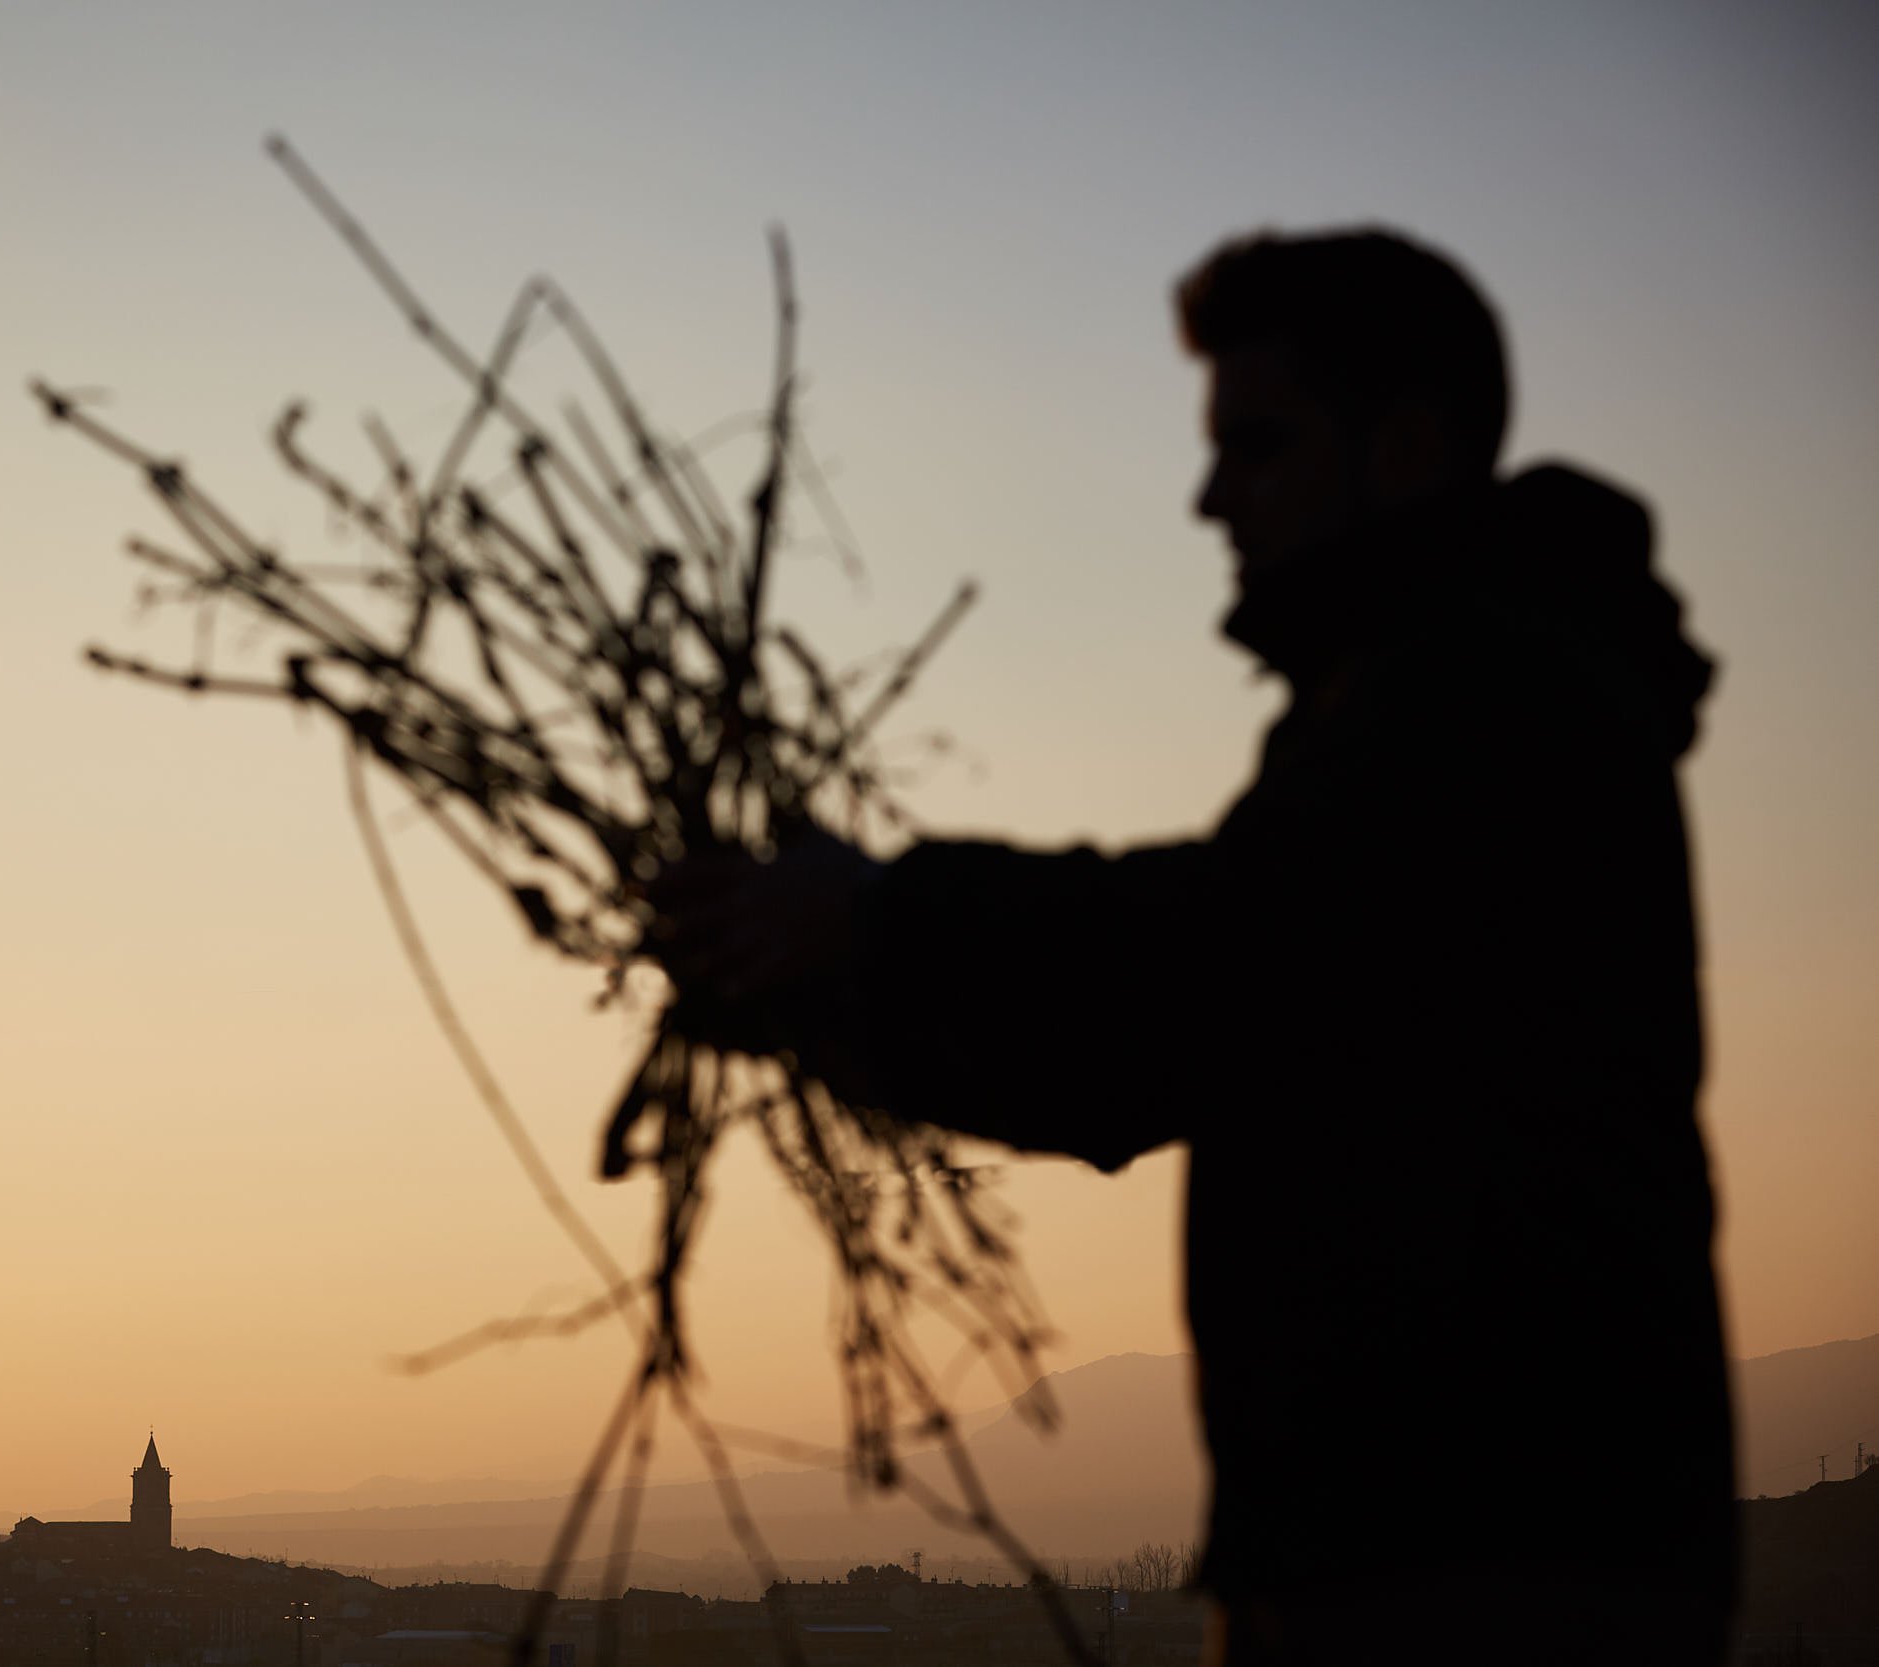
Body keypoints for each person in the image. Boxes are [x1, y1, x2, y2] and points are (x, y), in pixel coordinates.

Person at [645, 229, 1734, 1665]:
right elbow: (1173, 1039)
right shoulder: (1417, 703)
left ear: (1405, 446)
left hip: (1484, 1563)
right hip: (1424, 1545)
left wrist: (872, 923)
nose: (1209, 496)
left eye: (1260, 446)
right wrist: (824, 998)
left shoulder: (1503, 701)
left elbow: (1210, 967)